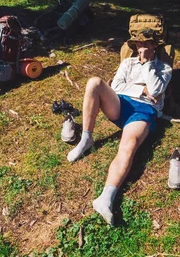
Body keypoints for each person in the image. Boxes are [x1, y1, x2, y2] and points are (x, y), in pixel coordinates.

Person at [66, 28, 172, 225]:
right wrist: (142, 89)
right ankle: (86, 138)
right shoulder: (127, 63)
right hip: (120, 103)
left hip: (143, 111)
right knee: (94, 82)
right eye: (139, 44)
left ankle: (105, 198)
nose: (142, 47)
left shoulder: (164, 68)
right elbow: (116, 87)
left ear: (155, 46)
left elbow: (156, 91)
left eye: (147, 43)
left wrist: (148, 64)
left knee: (129, 144)